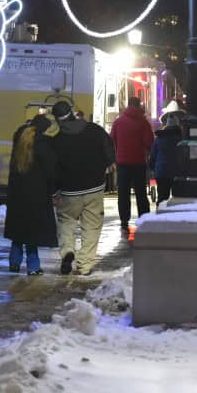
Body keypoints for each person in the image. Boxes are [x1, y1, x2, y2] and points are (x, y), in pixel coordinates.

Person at [48, 100, 116, 276]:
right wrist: (108, 163)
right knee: (92, 226)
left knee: (66, 222)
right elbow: (109, 148)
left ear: (57, 120)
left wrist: (54, 190)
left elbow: (53, 168)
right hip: (95, 187)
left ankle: (68, 251)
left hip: (69, 190)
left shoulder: (57, 141)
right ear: (72, 113)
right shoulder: (94, 130)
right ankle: (84, 265)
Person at [3, 116, 59, 275]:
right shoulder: (44, 145)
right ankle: (33, 267)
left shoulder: (20, 140)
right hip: (37, 195)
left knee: (18, 231)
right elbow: (50, 172)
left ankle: (14, 262)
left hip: (17, 193)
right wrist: (54, 190)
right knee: (32, 234)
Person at [110, 96, 155, 232]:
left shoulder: (118, 122)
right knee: (141, 192)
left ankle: (124, 219)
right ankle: (143, 217)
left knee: (123, 192)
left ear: (128, 105)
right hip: (138, 162)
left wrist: (116, 155)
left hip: (122, 162)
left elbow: (111, 140)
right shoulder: (143, 122)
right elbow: (149, 142)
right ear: (139, 105)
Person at [149, 112, 184, 203]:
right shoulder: (181, 139)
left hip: (161, 172)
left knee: (162, 198)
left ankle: (161, 215)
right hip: (178, 172)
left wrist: (152, 168)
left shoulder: (159, 139)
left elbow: (153, 156)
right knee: (178, 199)